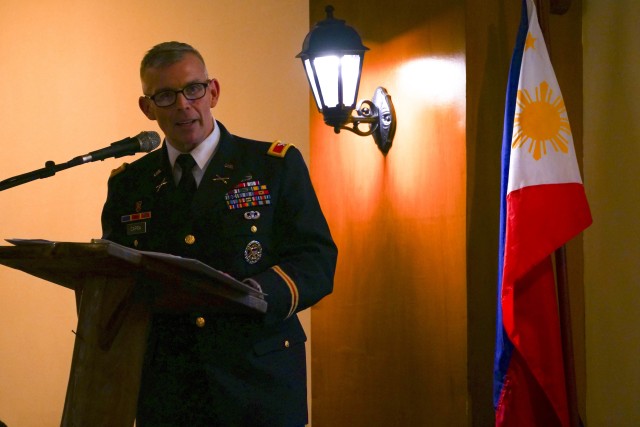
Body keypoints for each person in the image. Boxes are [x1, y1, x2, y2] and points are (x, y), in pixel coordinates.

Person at [101, 41, 337, 426]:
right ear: (147, 108)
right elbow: (116, 278)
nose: (182, 105)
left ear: (213, 91)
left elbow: (316, 260)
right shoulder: (130, 184)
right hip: (169, 387)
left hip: (258, 380)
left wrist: (257, 293)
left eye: (193, 89)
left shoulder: (273, 166)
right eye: (165, 95)